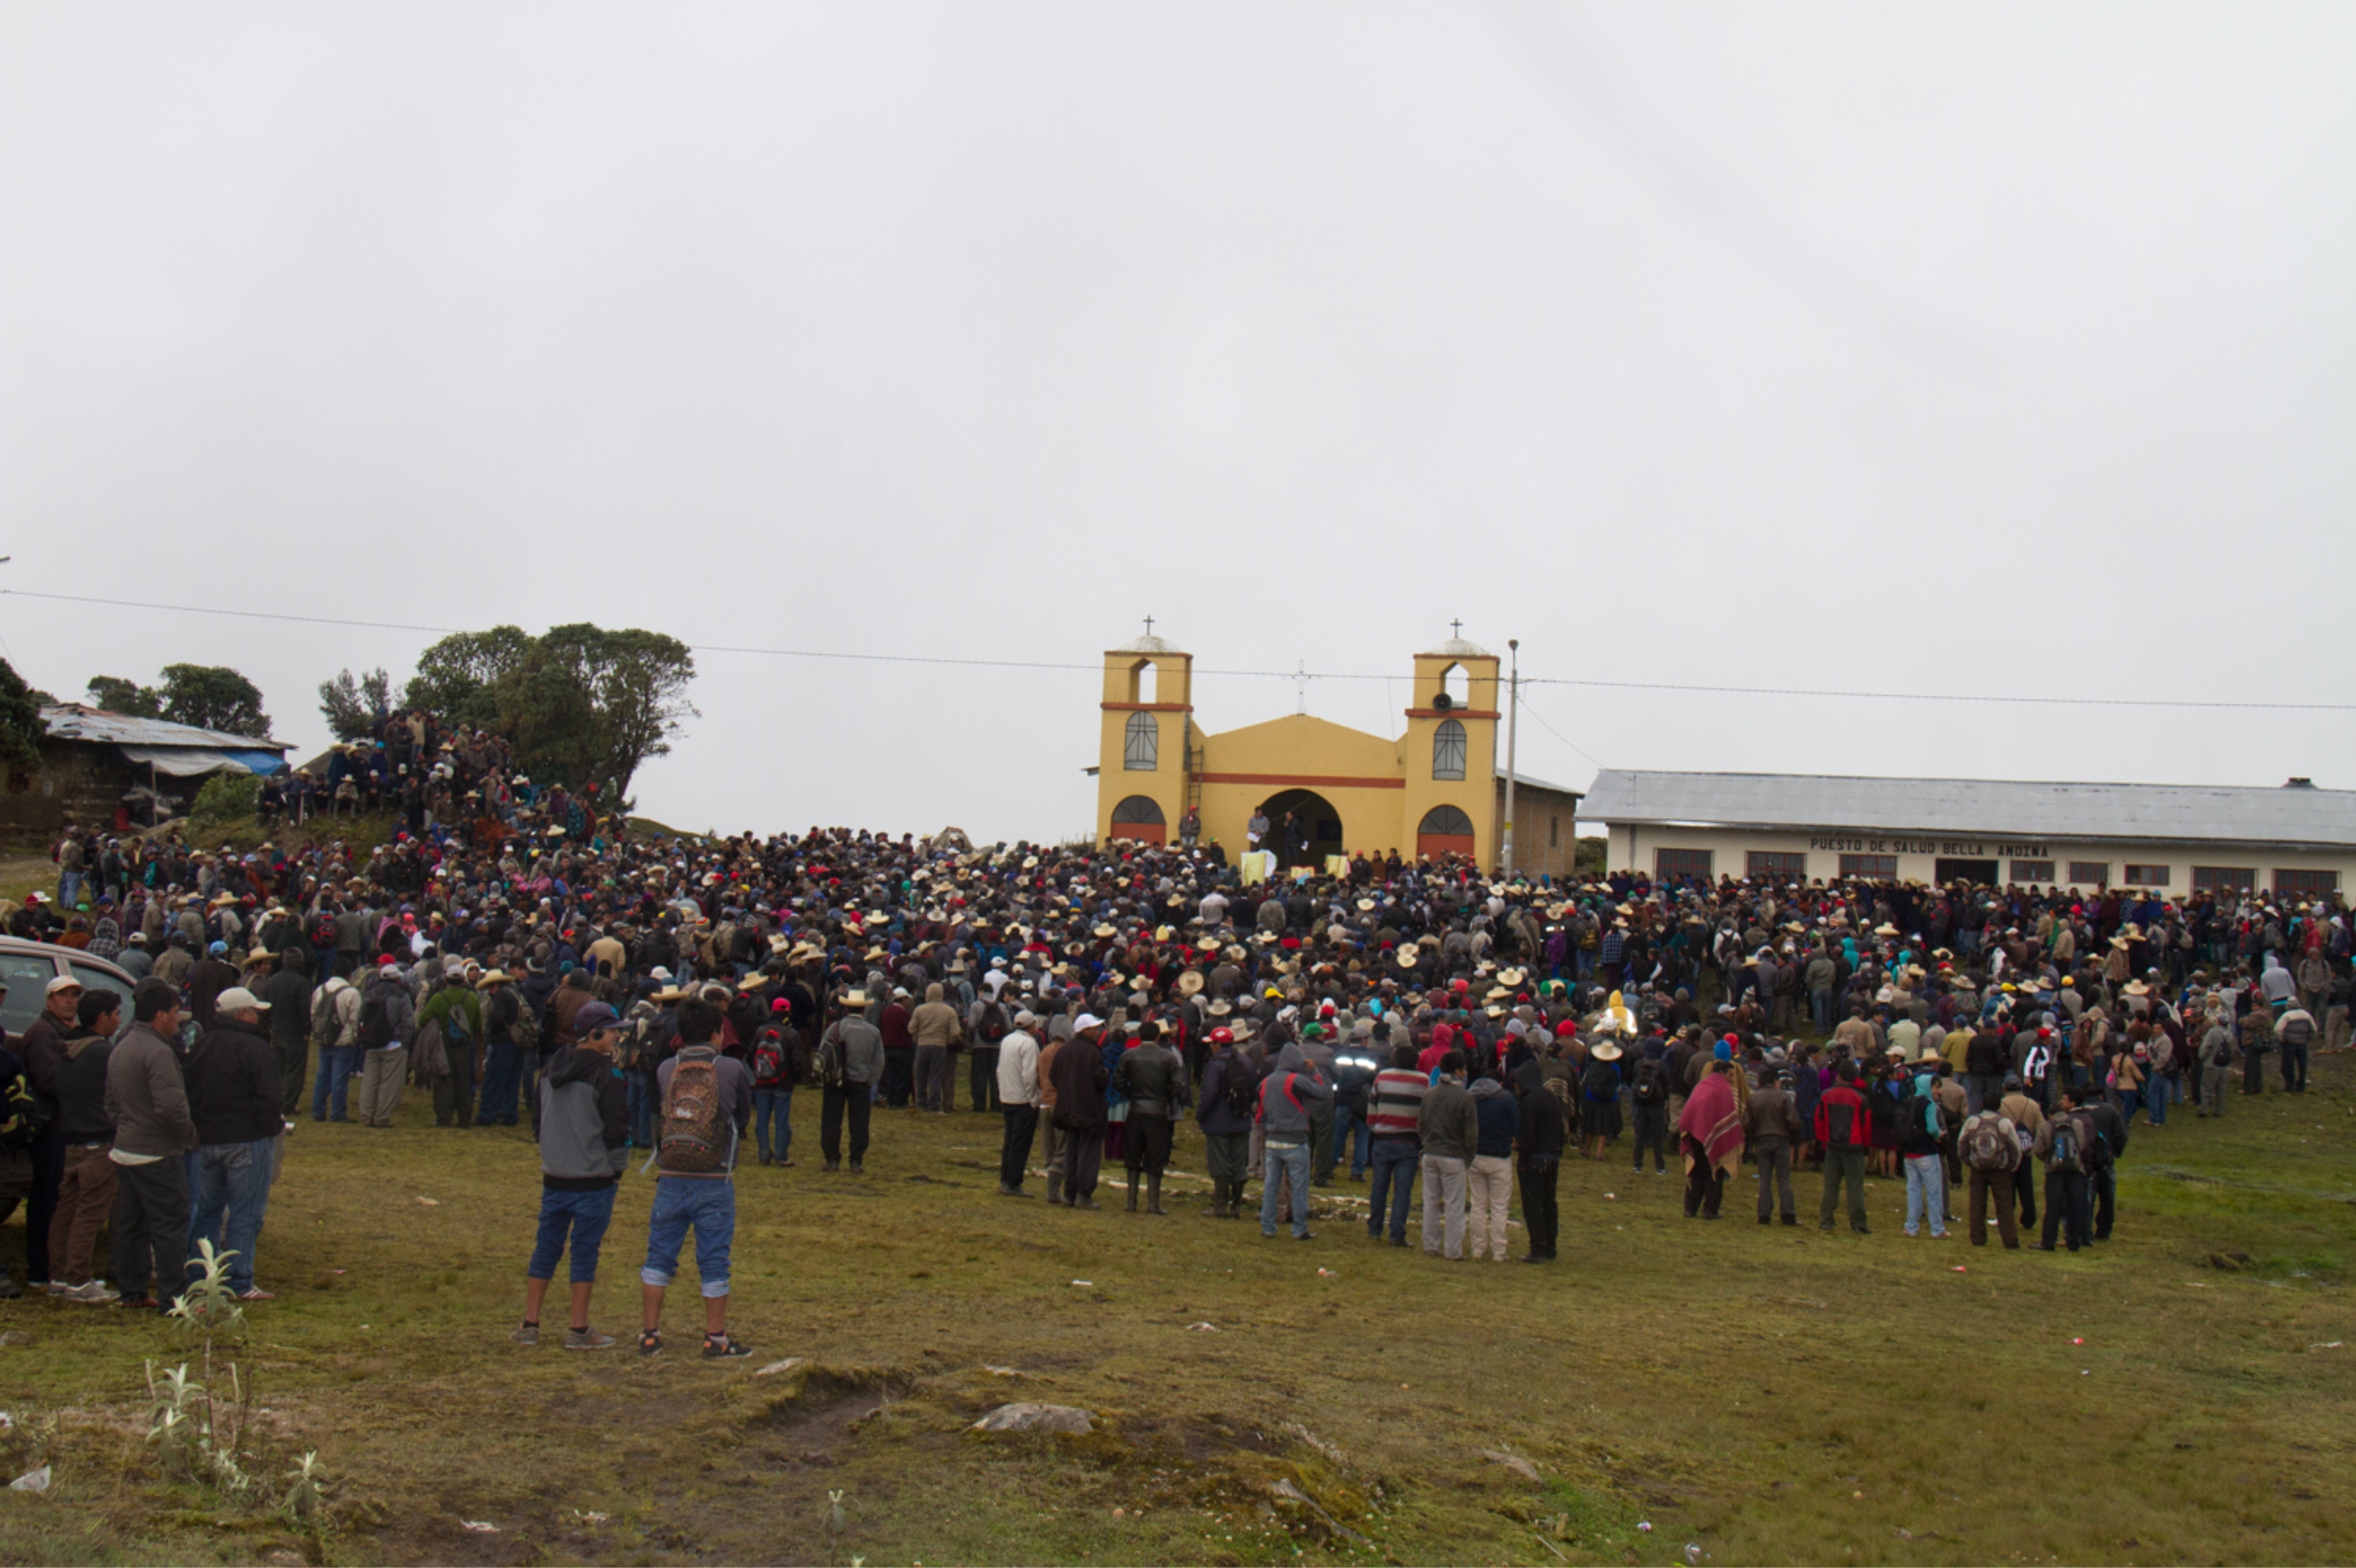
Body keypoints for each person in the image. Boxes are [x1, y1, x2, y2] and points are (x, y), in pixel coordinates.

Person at [639, 999, 754, 1359]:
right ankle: (715, 1336)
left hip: (671, 1174)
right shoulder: (731, 1068)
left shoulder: (665, 1069)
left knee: (659, 1255)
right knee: (715, 1257)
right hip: (715, 1176)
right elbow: (743, 1113)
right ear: (718, 1032)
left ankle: (650, 1333)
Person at [513, 1000, 628, 1349]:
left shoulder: (549, 1069)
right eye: (612, 1032)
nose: (617, 1039)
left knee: (545, 1248)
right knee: (584, 1252)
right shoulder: (605, 1074)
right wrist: (616, 1169)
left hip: (555, 1174)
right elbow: (616, 1128)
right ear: (594, 1034)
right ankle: (578, 1329)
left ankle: (530, 1323)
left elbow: (538, 1121)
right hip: (593, 1179)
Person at [184, 985, 284, 1301]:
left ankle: (199, 1273)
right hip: (246, 1139)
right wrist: (270, 1128)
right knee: (246, 1212)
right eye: (254, 1011)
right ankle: (240, 1281)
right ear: (242, 1014)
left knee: (207, 1211)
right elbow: (270, 1097)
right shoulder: (254, 1048)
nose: (257, 1017)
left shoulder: (201, 1046)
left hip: (209, 1140)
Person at [104, 980, 195, 1310]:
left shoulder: (122, 1045)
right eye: (174, 1013)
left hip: (125, 1148)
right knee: (170, 1225)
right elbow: (171, 1107)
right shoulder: (158, 1052)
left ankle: (133, 1291)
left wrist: (127, 1126)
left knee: (131, 1224)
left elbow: (111, 1103)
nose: (177, 1019)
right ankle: (176, 1298)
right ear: (159, 1015)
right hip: (156, 1152)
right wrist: (188, 1135)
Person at [46, 987, 122, 1301]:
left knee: (66, 1211)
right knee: (89, 1215)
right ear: (102, 1017)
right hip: (99, 1144)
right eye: (116, 1014)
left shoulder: (68, 1048)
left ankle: (60, 1276)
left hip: (73, 1143)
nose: (119, 1021)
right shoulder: (103, 1053)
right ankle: (78, 1280)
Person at [1256, 1042, 1331, 1241]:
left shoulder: (1266, 1082)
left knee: (1271, 1185)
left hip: (1272, 1140)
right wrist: (1314, 1071)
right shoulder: (1295, 1080)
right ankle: (1299, 1228)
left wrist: (1266, 1129)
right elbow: (1322, 1093)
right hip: (1295, 1140)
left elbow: (1259, 1113)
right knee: (1299, 1185)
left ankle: (1268, 1226)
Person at [1110, 1019, 1184, 1215]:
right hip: (1158, 1113)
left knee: (1133, 1156)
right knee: (1155, 1157)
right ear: (1158, 1036)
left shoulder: (1129, 1056)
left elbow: (1117, 1080)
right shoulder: (1168, 1058)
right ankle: (1153, 1204)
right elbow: (1178, 1084)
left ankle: (1131, 1202)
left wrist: (1131, 1094)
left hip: (1135, 1111)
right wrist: (1165, 1097)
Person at [1416, 1050, 1477, 1260]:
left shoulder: (1430, 1093)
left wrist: (1427, 1143)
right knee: (1454, 1205)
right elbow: (1471, 1133)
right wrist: (1468, 1157)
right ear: (1458, 1071)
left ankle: (1430, 1245)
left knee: (1430, 1201)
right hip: (1454, 1155)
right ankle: (1453, 1251)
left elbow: (1421, 1124)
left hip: (1430, 1152)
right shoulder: (1465, 1097)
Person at [1364, 1043, 1425, 1246]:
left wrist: (1376, 1127)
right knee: (1403, 1190)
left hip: (1382, 1138)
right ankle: (1397, 1233)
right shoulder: (1423, 1081)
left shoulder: (1382, 1076)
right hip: (1408, 1141)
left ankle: (1374, 1228)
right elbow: (1426, 1112)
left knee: (1379, 1186)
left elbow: (1372, 1105)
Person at [1047, 1015, 1110, 1209]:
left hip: (1067, 1109)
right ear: (1084, 1031)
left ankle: (1070, 1193)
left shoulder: (1064, 1050)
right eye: (1094, 1028)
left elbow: (1053, 1076)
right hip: (1089, 1111)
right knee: (1088, 1153)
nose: (1098, 1032)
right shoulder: (1093, 1052)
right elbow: (1100, 1079)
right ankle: (1084, 1194)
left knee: (1071, 1152)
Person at [817, 993, 882, 1173]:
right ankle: (856, 1160)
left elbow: (823, 1054)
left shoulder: (835, 1028)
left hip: (835, 1080)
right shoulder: (873, 1032)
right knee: (859, 1123)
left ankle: (832, 1159)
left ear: (846, 1007)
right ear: (864, 1008)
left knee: (831, 1120)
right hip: (860, 1081)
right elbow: (879, 1062)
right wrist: (870, 1080)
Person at [1195, 1026, 1254, 1220]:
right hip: (1241, 1119)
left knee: (1220, 1164)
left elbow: (1209, 1094)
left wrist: (1200, 1114)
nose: (1210, 1047)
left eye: (1212, 1043)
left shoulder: (1215, 1064)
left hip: (1218, 1122)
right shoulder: (1246, 1061)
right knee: (1239, 1163)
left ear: (1218, 1044)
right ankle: (1236, 1206)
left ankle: (1220, 1206)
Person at [416, 962, 485, 1129]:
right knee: (464, 1081)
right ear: (463, 979)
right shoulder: (472, 998)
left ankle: (444, 1118)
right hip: (465, 1045)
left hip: (443, 1045)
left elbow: (422, 1020)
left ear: (446, 979)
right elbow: (478, 1025)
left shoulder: (439, 998)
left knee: (444, 1080)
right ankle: (464, 1118)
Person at [1514, 1049, 1566, 1261]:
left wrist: (1524, 1159)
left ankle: (1537, 1248)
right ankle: (1550, 1247)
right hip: (1552, 1156)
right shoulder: (1551, 1098)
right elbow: (1561, 1130)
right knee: (1548, 1203)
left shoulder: (1528, 1102)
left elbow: (1527, 1135)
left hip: (1534, 1158)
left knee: (1533, 1205)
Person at [2033, 1085, 2098, 1253]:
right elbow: (2082, 1145)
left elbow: (2039, 1150)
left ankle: (2048, 1241)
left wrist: (2049, 1159)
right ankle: (2074, 1242)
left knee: (2053, 1208)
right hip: (2076, 1170)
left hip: (2054, 1171)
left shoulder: (2045, 1126)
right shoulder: (2076, 1123)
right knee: (2076, 1206)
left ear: (2050, 1114)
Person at [1677, 1059, 1742, 1220]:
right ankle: (1710, 1210)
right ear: (1722, 1073)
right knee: (1714, 1171)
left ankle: (1690, 1208)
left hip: (1694, 1134)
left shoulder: (1702, 1086)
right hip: (1710, 1136)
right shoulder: (1723, 1088)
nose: (1731, 1079)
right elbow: (1728, 1113)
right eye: (1730, 1075)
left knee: (1696, 1171)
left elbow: (1690, 1110)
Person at [356, 962, 417, 1129]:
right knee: (389, 1084)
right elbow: (408, 1022)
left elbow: (360, 1018)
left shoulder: (369, 994)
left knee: (370, 1081)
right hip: (394, 1044)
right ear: (397, 979)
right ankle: (382, 1117)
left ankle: (367, 1115)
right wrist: (405, 1042)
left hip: (372, 1043)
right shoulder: (401, 996)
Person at [1815, 1058, 1872, 1234]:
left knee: (1830, 1184)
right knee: (1855, 1186)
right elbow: (1866, 1125)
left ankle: (1826, 1219)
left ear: (1838, 1075)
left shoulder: (1826, 1095)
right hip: (1854, 1146)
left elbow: (1819, 1120)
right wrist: (1866, 1146)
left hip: (1832, 1145)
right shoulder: (1860, 1099)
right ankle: (1858, 1223)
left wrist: (1823, 1141)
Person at [1465, 1069, 1517, 1260]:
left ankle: (1477, 1248)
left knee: (1477, 1205)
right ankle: (1498, 1250)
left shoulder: (1471, 1098)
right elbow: (1515, 1126)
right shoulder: (1505, 1098)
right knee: (1499, 1206)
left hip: (1476, 1156)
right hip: (1500, 1156)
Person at [1957, 1097, 2022, 1249]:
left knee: (1976, 1205)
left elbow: (1962, 1144)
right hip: (2000, 1170)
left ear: (1982, 1104)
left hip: (1977, 1169)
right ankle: (2010, 1241)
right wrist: (2009, 1167)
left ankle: (1978, 1238)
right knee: (2004, 1206)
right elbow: (2015, 1148)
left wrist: (1969, 1162)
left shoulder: (1973, 1121)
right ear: (1999, 1106)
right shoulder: (2004, 1123)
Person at [1743, 1062, 1803, 1225]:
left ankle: (1763, 1214)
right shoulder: (1783, 1097)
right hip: (1781, 1139)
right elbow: (1794, 1122)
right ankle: (1788, 1213)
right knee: (1783, 1178)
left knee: (1764, 1179)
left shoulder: (1753, 1098)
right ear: (1776, 1082)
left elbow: (1747, 1123)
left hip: (1762, 1139)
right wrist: (1791, 1136)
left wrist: (1754, 1137)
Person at [994, 1010, 1042, 1197]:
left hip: (1007, 1096)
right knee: (1020, 1143)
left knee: (1009, 1140)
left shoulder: (1007, 1041)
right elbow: (1030, 1075)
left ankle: (1006, 1177)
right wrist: (1034, 1099)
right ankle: (1013, 1181)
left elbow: (1000, 1069)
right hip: (1023, 1099)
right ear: (1031, 1025)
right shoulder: (1029, 1044)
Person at [1898, 1070, 1950, 1240]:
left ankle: (1911, 1226)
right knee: (1933, 1191)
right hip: (1927, 1152)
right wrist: (1939, 1136)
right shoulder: (1929, 1105)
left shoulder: (1908, 1102)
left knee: (1913, 1190)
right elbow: (1932, 1129)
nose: (1938, 1091)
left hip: (1910, 1153)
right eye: (1936, 1087)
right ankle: (1937, 1228)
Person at [308, 968, 362, 1122]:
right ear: (349, 974)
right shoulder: (351, 993)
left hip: (324, 1037)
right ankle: (337, 1113)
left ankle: (318, 1110)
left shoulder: (320, 989)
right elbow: (355, 1019)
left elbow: (313, 1012)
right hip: (343, 1039)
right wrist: (355, 1037)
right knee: (339, 1078)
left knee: (322, 1076)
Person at [908, 981, 964, 1114]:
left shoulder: (919, 1009)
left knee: (920, 1075)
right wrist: (947, 1040)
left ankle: (921, 1102)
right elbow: (956, 1032)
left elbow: (911, 1028)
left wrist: (917, 1039)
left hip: (922, 1044)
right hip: (939, 1045)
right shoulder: (948, 1011)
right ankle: (934, 1105)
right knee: (935, 1076)